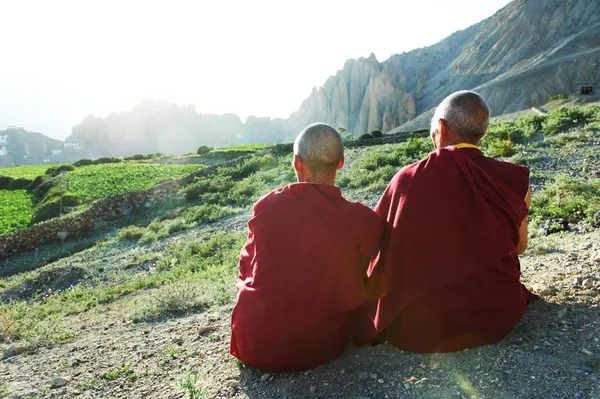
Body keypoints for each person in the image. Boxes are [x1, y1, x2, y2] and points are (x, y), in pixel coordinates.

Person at [355, 91, 537, 353]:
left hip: (418, 330)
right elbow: (519, 248)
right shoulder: (515, 179)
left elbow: (378, 252)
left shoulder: (406, 179)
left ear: (440, 127)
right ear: (482, 132)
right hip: (495, 317)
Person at [230, 123, 386, 371]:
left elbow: (247, 268)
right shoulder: (360, 218)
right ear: (340, 163)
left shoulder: (267, 207)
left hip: (255, 345)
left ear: (296, 163)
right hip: (324, 345)